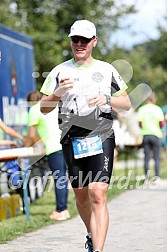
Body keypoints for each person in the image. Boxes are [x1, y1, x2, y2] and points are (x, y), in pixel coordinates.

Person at [40, 20, 131, 252]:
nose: (79, 44)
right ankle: (91, 233)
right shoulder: (60, 71)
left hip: (101, 135)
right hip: (72, 139)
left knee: (97, 193)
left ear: (94, 41)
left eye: (84, 40)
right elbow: (43, 107)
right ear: (70, 41)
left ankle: (98, 250)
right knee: (81, 197)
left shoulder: (107, 69)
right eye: (75, 40)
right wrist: (58, 92)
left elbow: (127, 103)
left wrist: (107, 99)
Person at [27, 90, 70, 221]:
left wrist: (30, 148)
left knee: (59, 178)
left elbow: (31, 135)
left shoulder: (34, 109)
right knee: (63, 177)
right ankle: (64, 209)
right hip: (65, 143)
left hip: (52, 147)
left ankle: (60, 210)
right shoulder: (53, 105)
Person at [137, 92, 164, 179]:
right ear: (154, 99)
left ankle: (147, 178)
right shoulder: (158, 109)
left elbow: (140, 124)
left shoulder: (142, 109)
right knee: (156, 157)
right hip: (156, 134)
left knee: (146, 157)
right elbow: (161, 123)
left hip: (146, 135)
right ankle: (156, 177)